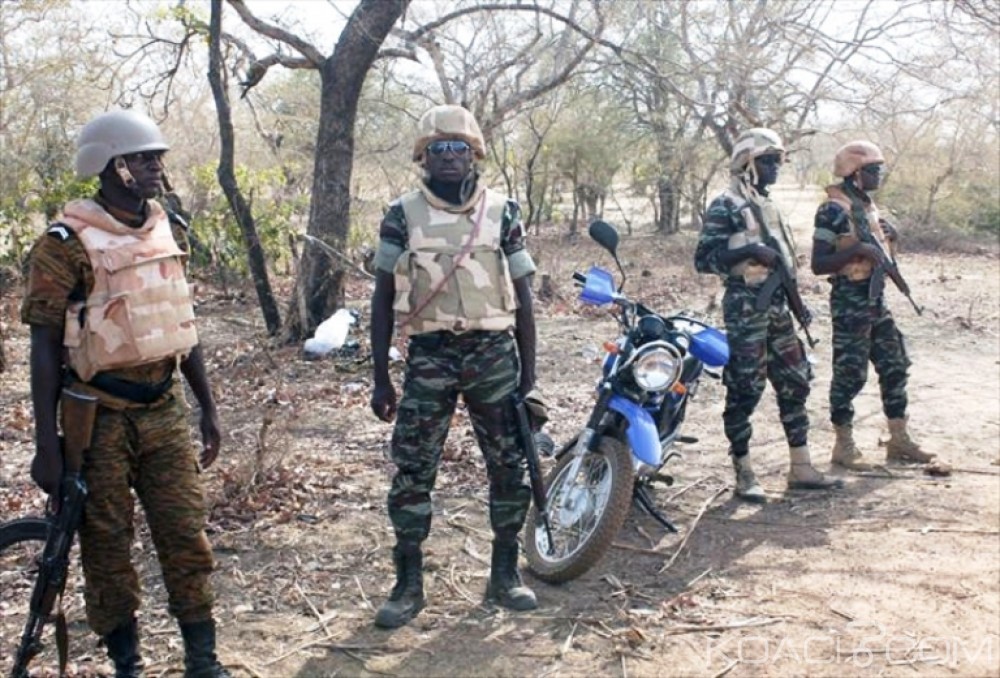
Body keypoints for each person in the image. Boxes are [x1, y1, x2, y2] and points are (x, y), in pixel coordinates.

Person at [21, 109, 229, 678]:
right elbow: (42, 349)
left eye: (156, 156)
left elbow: (180, 325)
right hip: (98, 415)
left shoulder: (168, 227)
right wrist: (48, 447)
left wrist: (207, 407)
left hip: (164, 407)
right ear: (109, 167)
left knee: (186, 535)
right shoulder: (63, 245)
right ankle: (127, 663)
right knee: (107, 548)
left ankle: (203, 659)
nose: (155, 166)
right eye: (141, 158)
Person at [369, 104, 541, 628]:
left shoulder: (503, 211)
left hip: (493, 354)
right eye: (439, 149)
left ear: (474, 155)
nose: (449, 157)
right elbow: (380, 296)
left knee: (509, 465)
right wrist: (381, 375)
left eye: (459, 148)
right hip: (431, 356)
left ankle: (505, 573)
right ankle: (408, 583)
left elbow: (524, 296)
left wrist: (529, 378)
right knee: (414, 469)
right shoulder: (401, 213)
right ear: (424, 157)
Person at [695, 128, 842, 503]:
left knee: (795, 382)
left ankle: (801, 466)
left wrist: (796, 303)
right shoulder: (726, 204)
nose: (776, 167)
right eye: (767, 161)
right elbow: (704, 259)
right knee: (745, 388)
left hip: (779, 307)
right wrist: (752, 253)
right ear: (747, 164)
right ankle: (744, 471)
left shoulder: (769, 205)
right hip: (746, 306)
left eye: (778, 160)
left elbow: (785, 262)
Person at [811, 141, 935, 470]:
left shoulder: (867, 206)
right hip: (850, 299)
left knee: (895, 364)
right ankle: (843, 445)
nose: (879, 174)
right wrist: (858, 251)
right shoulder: (833, 209)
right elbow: (819, 263)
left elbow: (879, 253)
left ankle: (898, 439)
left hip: (875, 299)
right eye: (872, 169)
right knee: (850, 374)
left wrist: (890, 237)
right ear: (854, 174)